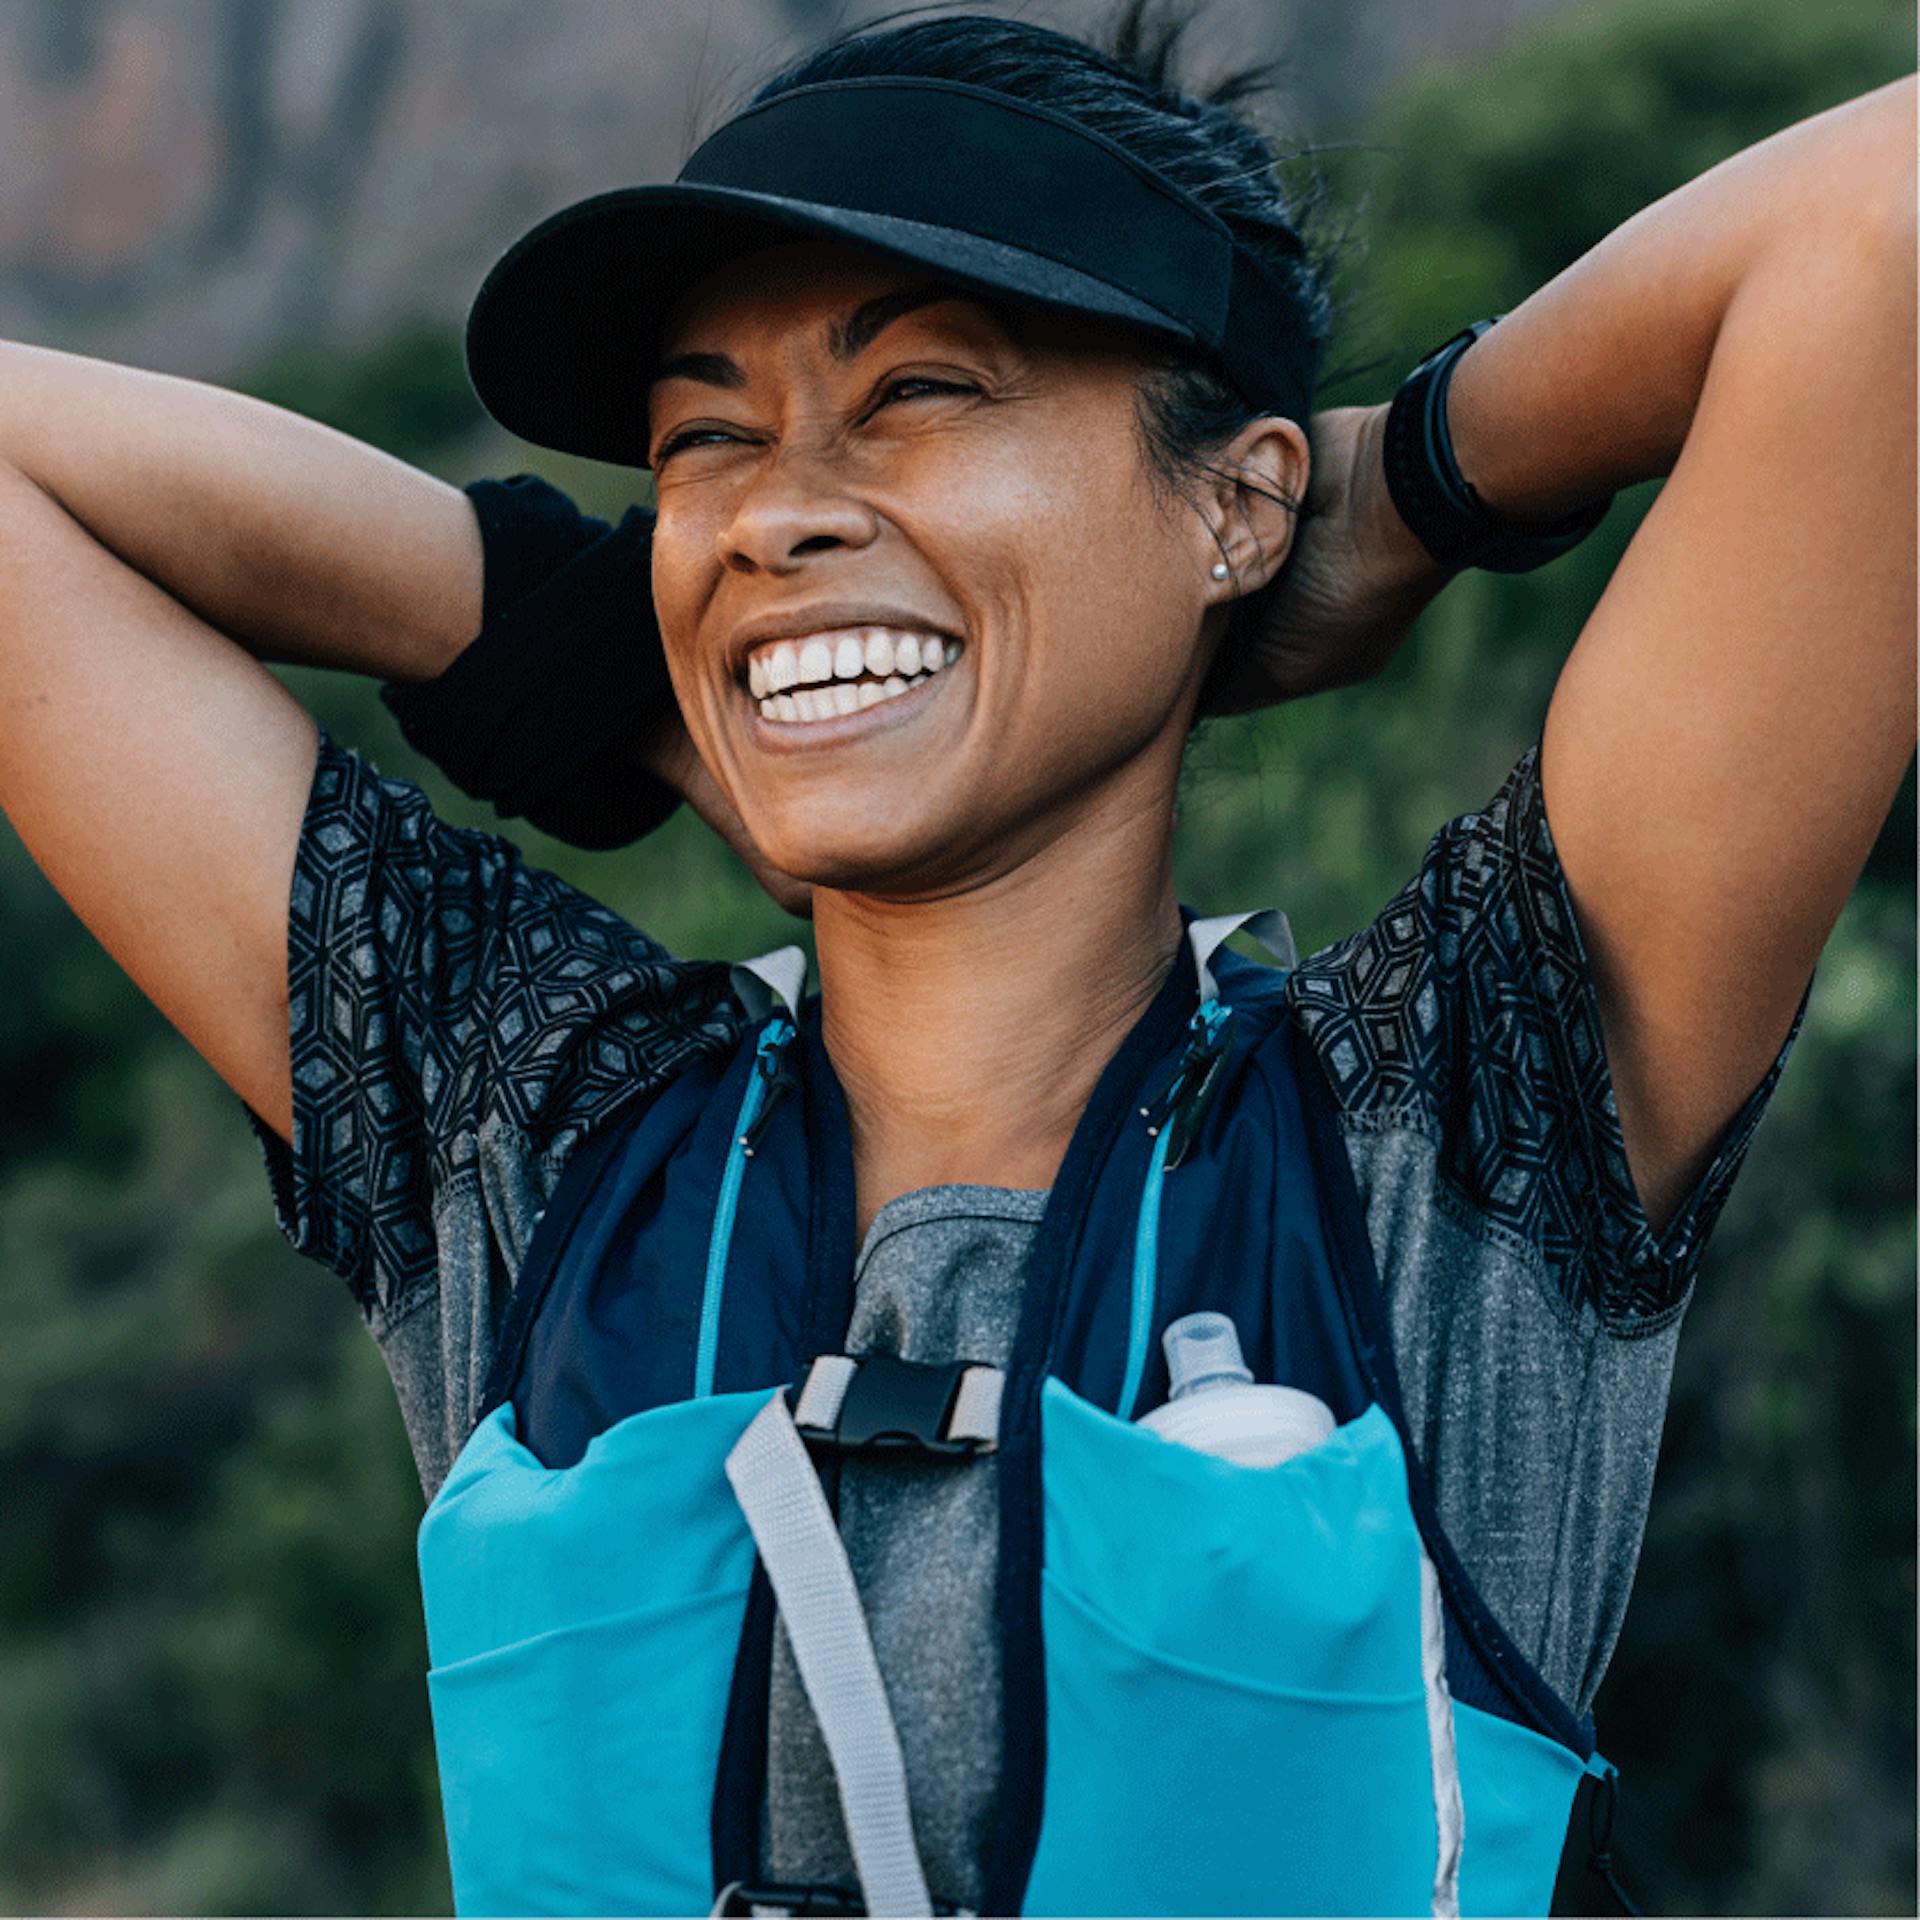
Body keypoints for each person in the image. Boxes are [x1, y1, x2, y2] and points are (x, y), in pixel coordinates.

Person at [0, 5, 1909, 1914]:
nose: (773, 509)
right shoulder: (540, 1149)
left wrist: (1405, 491)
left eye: (919, 393)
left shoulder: (1443, 1148)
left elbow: (1882, 222)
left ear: (1232, 504)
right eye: (702, 441)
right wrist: (606, 648)